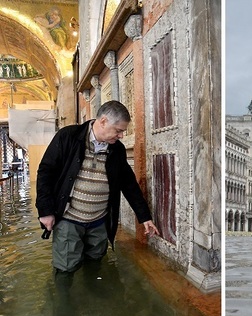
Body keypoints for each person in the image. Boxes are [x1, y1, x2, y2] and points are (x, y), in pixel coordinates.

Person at [36, 100, 159, 274]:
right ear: (103, 121)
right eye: (119, 130)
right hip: (69, 219)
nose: (121, 136)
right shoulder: (68, 136)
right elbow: (45, 173)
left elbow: (129, 184)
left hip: (99, 222)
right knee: (65, 268)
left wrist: (144, 216)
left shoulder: (117, 150)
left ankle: (91, 296)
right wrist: (45, 211)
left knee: (95, 265)